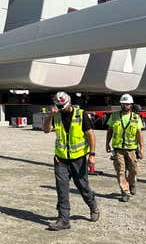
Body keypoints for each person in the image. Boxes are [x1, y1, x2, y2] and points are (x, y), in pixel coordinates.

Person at [43, 91, 99, 230]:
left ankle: (93, 206)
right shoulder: (56, 116)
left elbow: (90, 134)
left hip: (78, 159)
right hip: (60, 159)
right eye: (58, 106)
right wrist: (50, 115)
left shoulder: (81, 114)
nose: (61, 108)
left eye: (63, 106)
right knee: (62, 189)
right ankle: (64, 220)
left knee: (83, 187)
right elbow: (46, 130)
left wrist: (92, 154)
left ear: (69, 103)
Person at [105, 93, 144, 202]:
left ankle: (132, 183)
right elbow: (110, 131)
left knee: (134, 170)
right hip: (118, 149)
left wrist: (142, 148)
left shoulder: (136, 118)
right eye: (123, 104)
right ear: (120, 104)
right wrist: (107, 143)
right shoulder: (114, 116)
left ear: (131, 105)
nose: (125, 106)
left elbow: (139, 133)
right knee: (120, 171)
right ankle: (125, 192)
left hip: (132, 149)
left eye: (127, 104)